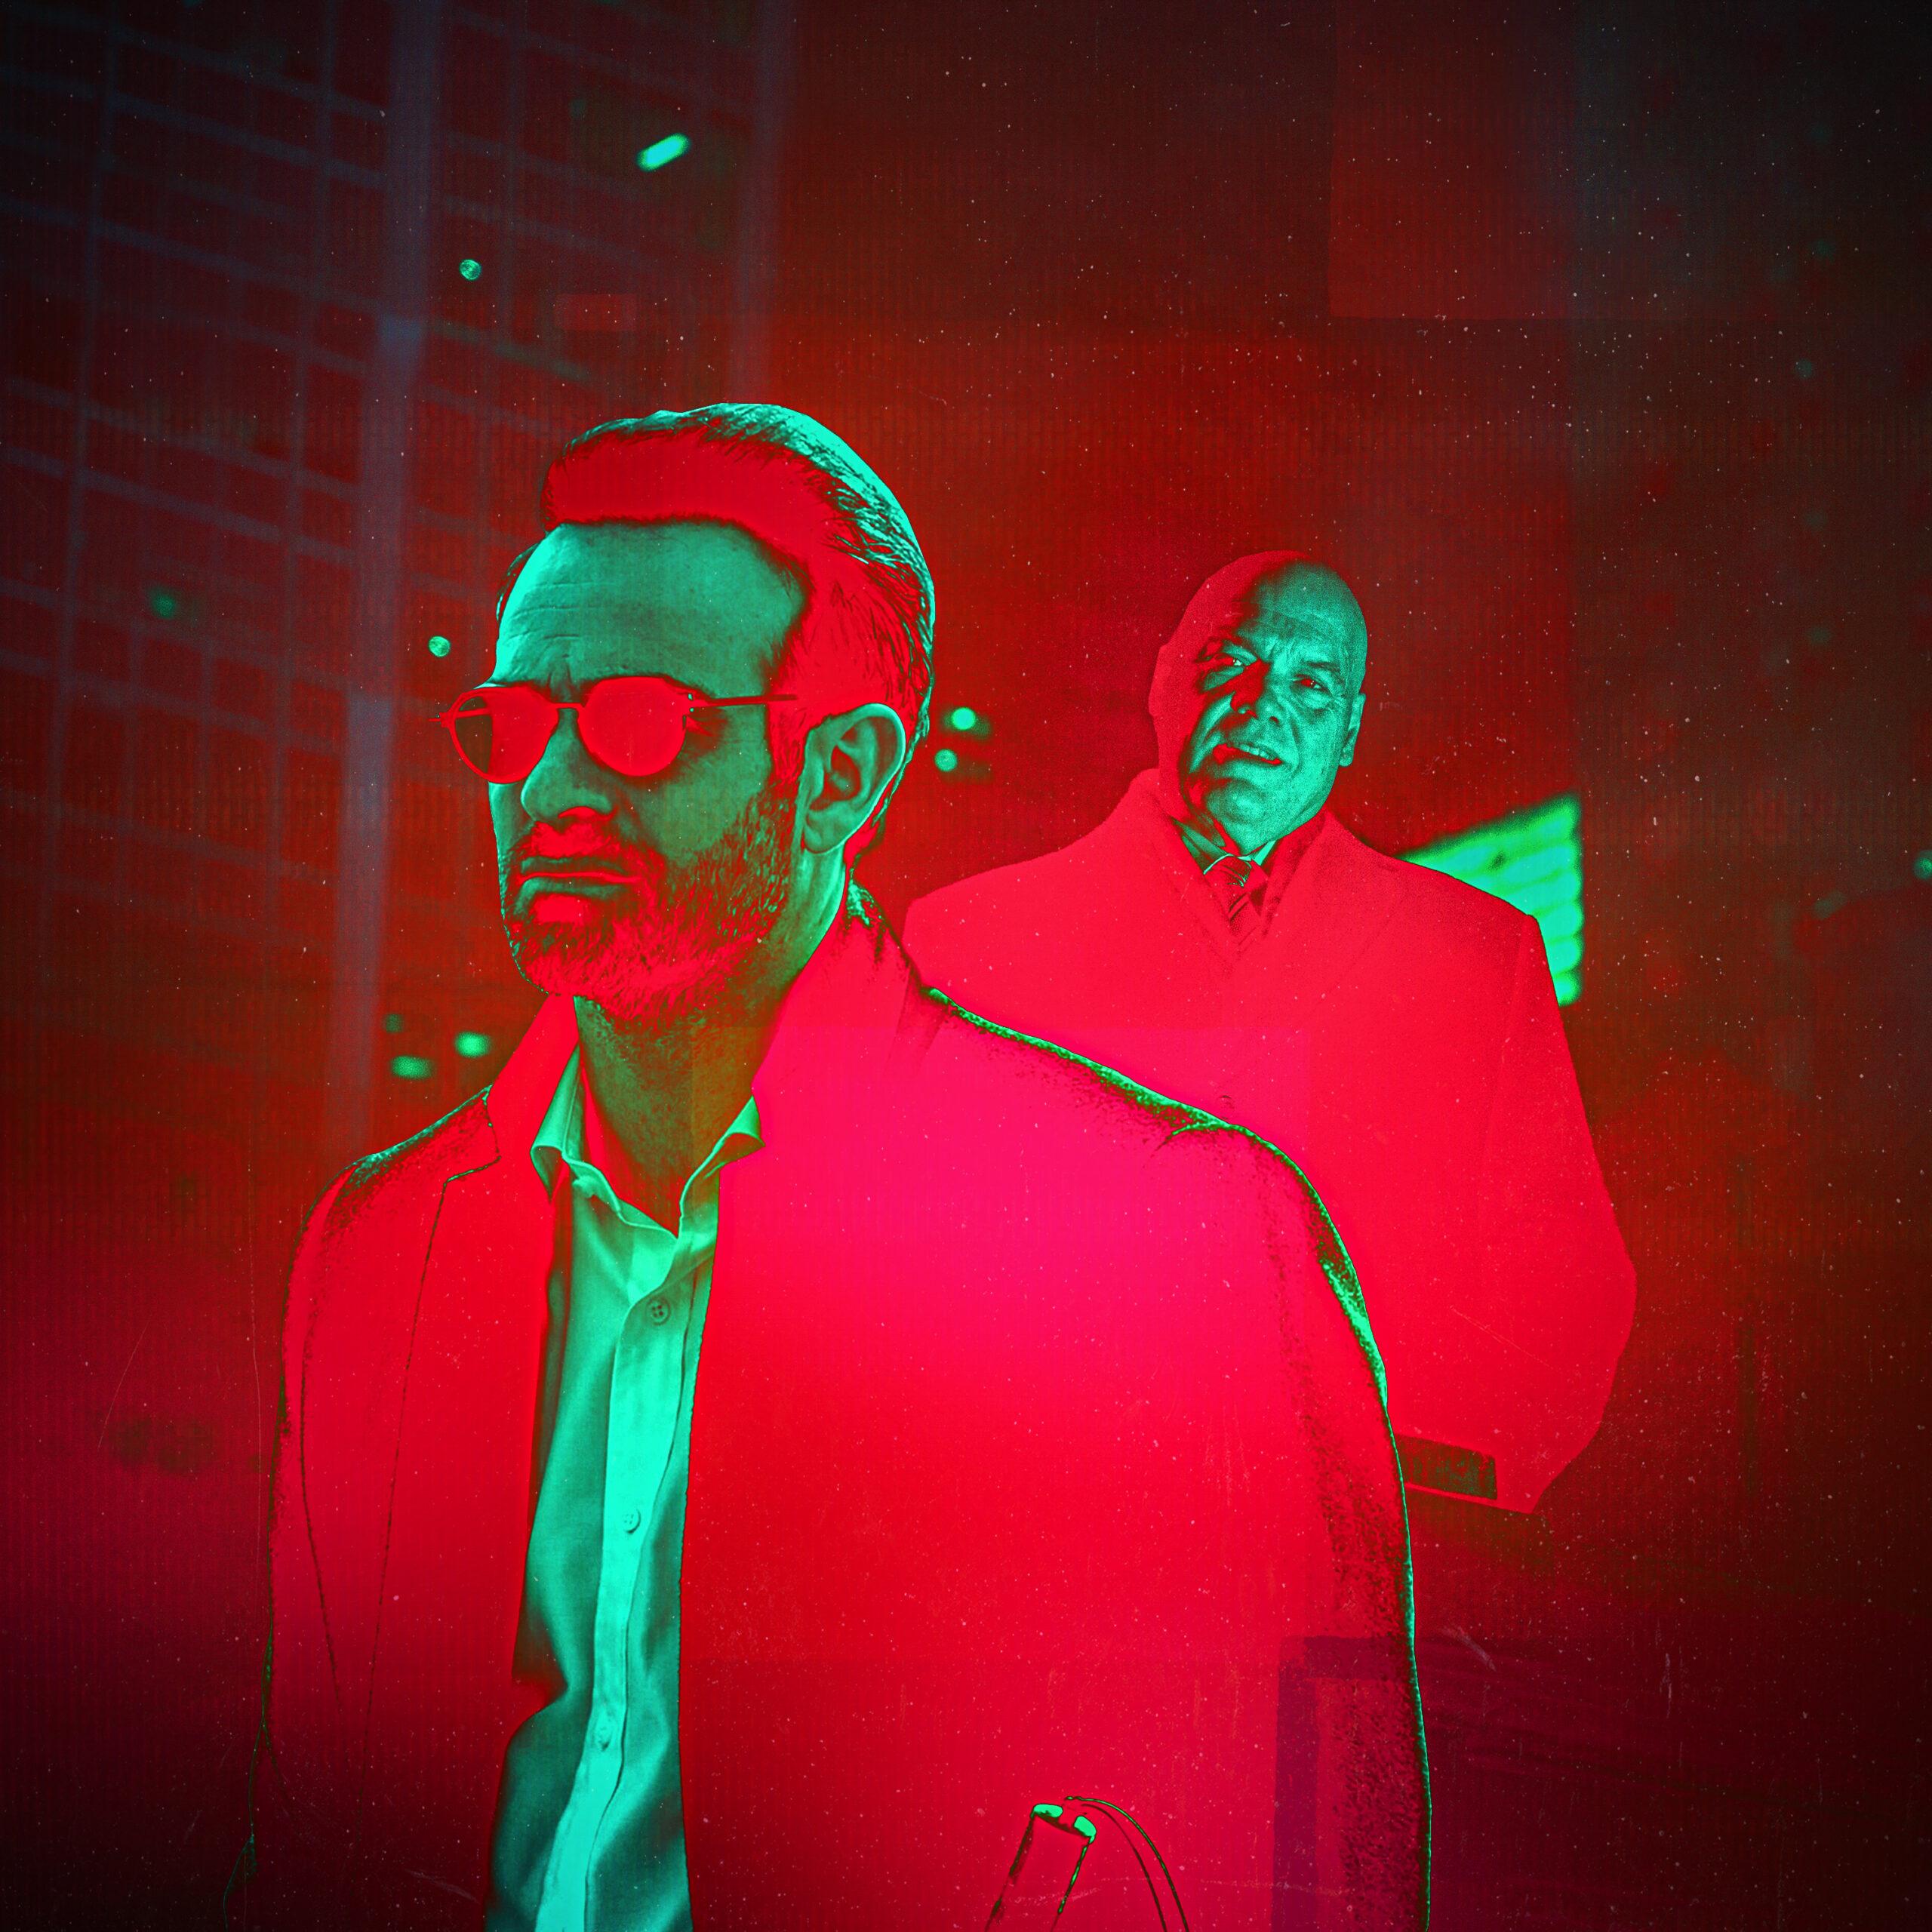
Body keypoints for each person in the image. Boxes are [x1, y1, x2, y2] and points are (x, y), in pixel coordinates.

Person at [243, 419, 1426, 1930]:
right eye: (515, 725)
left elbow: (1309, 1879)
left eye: (638, 722)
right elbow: (311, 1845)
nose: (547, 790)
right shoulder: (377, 1246)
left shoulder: (1169, 1232)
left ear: (841, 775)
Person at [905, 552, 1635, 1514]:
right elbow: (902, 1266)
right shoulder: (970, 939)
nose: (1262, 708)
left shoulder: (1477, 955)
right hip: (1053, 1512)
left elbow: (1561, 1270)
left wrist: (1428, 1490)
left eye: (1310, 684)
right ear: (1163, 681)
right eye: (1230, 664)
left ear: (1350, 730)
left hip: (1377, 1532)